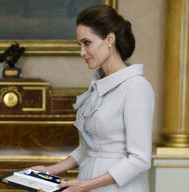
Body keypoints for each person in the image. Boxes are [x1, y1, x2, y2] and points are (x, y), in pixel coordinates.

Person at [32, 4, 154, 192]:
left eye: (87, 43)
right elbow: (90, 147)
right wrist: (51, 170)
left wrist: (87, 185)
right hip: (88, 184)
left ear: (110, 39)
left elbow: (140, 159)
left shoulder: (136, 88)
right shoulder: (97, 87)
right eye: (79, 45)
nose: (82, 52)